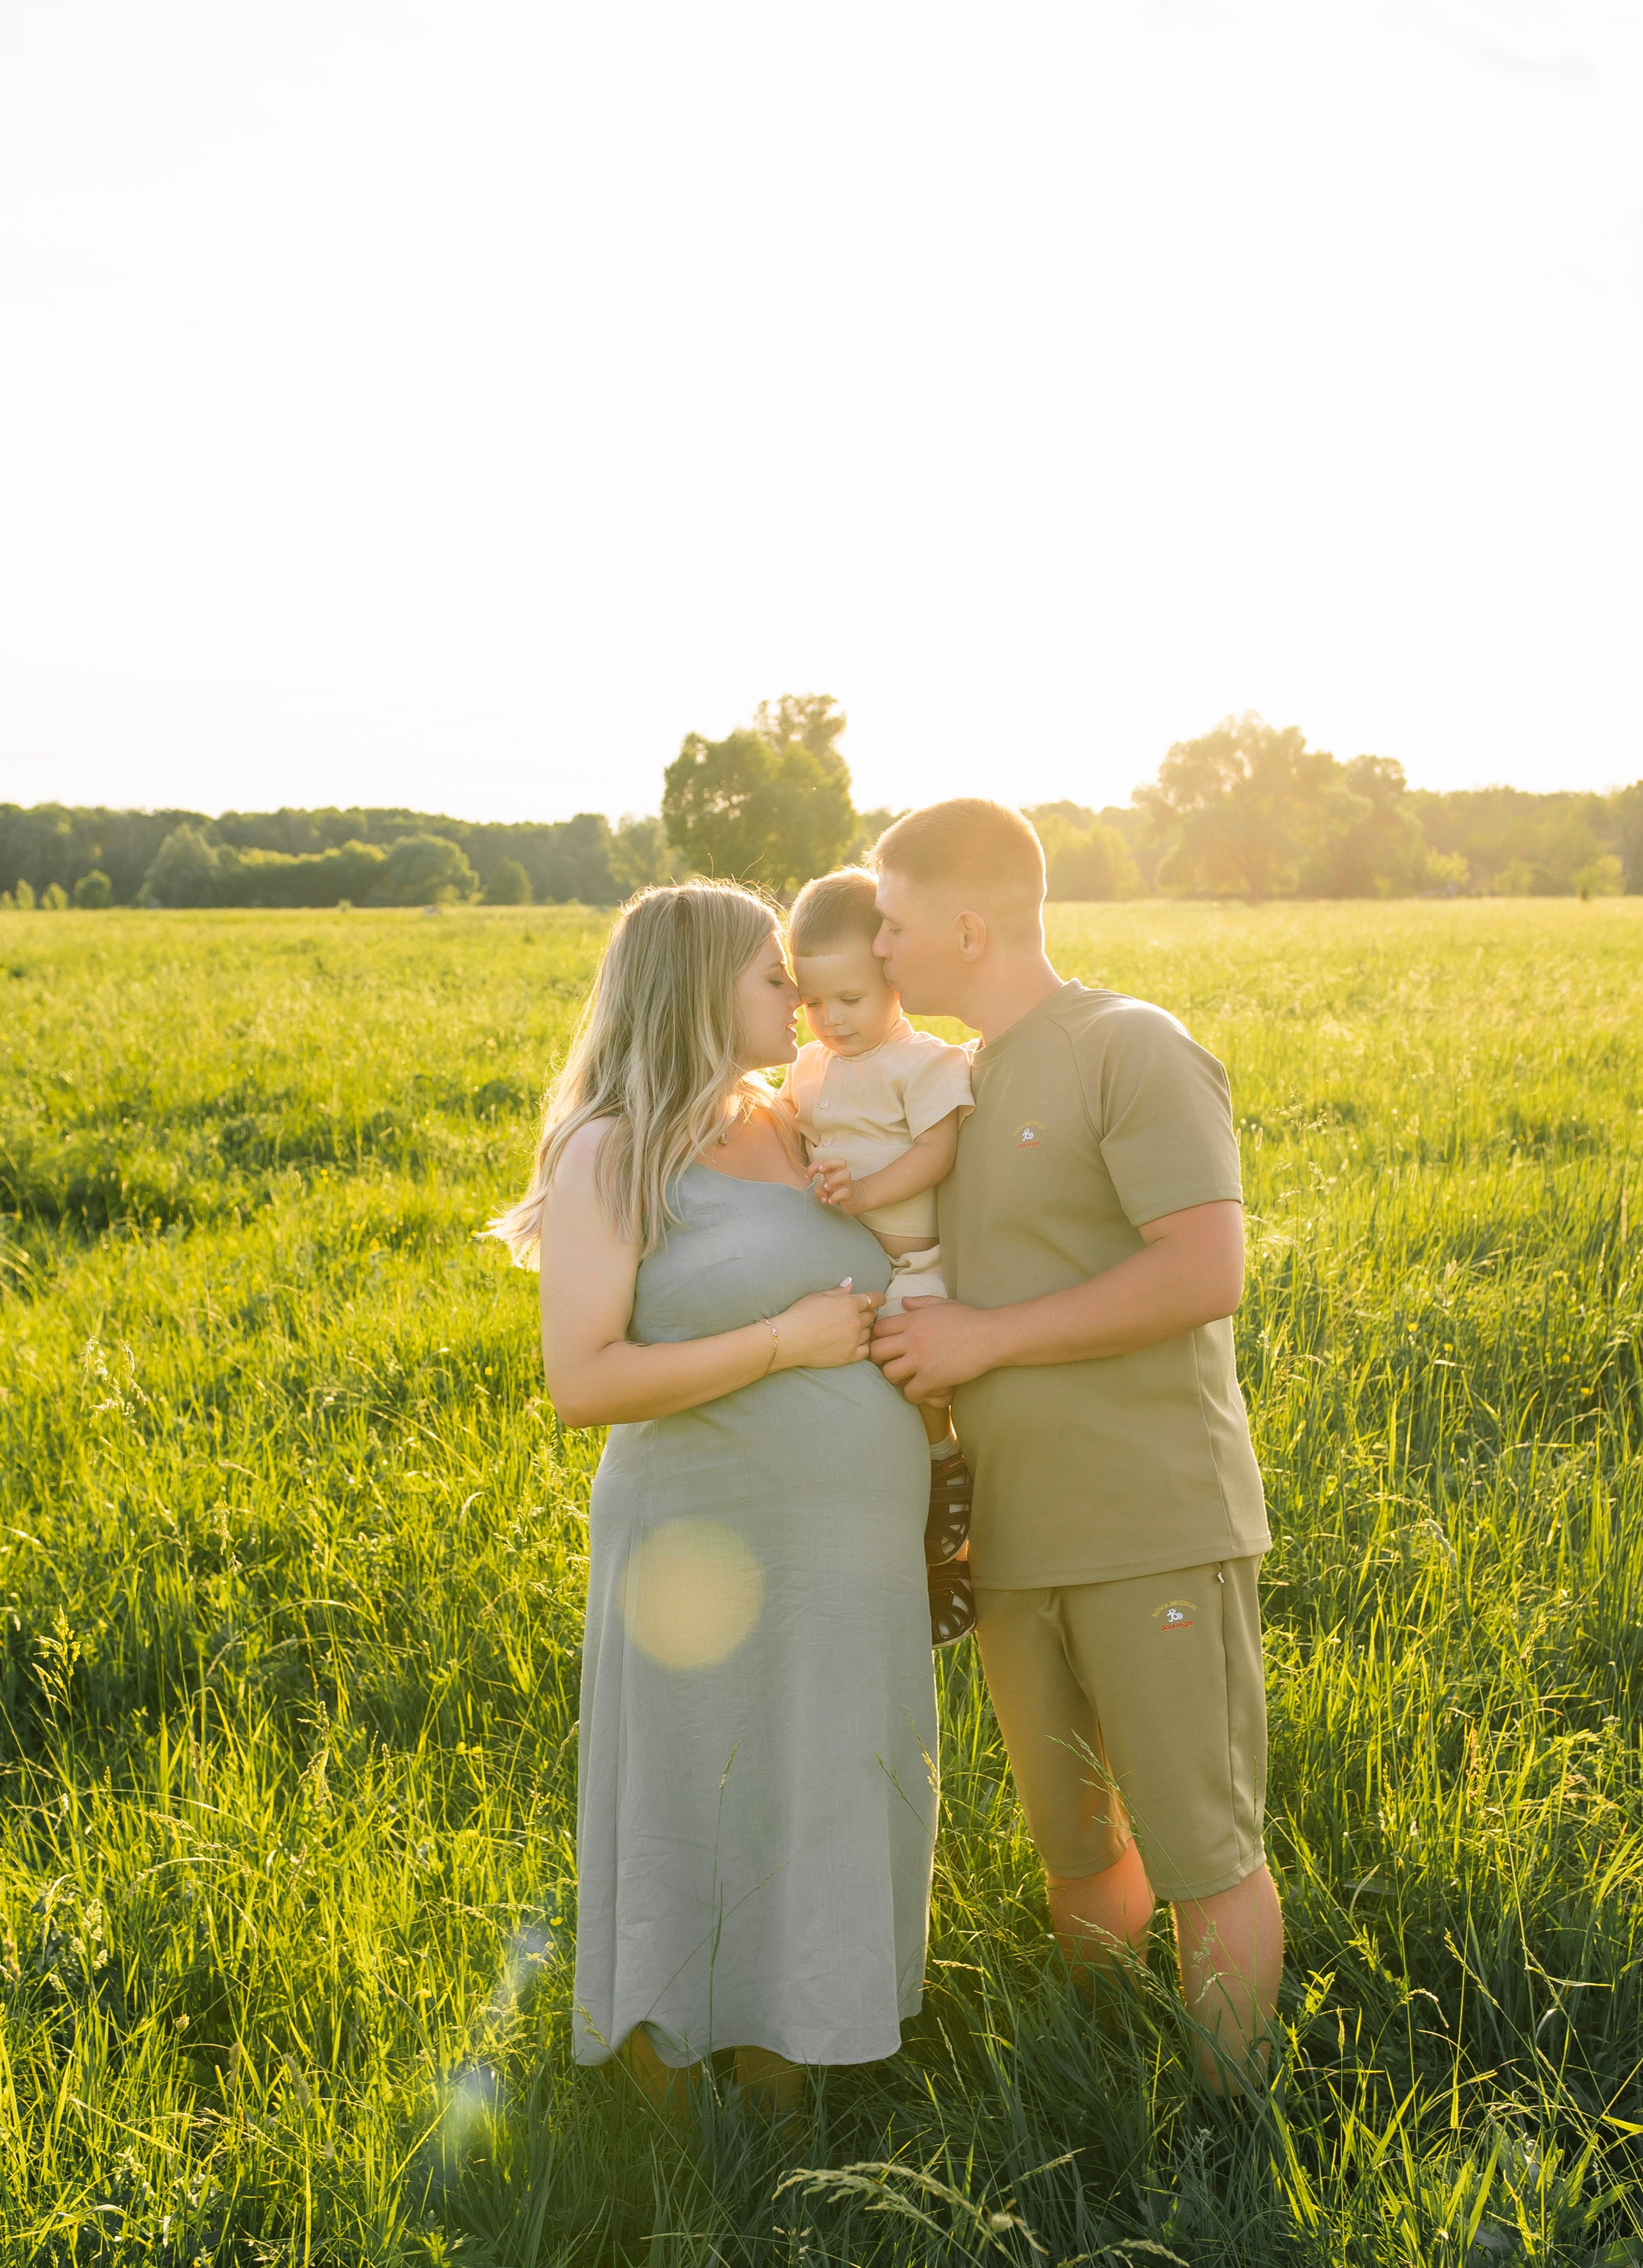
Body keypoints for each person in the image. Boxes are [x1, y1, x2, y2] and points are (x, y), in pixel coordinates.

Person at [488, 881, 936, 2119]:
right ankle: (667, 2112)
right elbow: (584, 1379)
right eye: (769, 974)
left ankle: (787, 2078)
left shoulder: (799, 1122)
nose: (796, 993)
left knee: (822, 1781)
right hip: (701, 1545)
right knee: (702, 1786)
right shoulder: (614, 1146)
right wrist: (787, 1342)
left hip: (851, 1548)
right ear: (695, 989)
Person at [866, 801, 1280, 2089]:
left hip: (1152, 1521)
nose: (878, 948)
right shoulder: (951, 1088)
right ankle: (1107, 2090)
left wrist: (982, 1341)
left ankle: (1228, 2137)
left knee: (1204, 1845)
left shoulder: (1130, 1047)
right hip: (1012, 1537)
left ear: (968, 925)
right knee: (1079, 1845)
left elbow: (1206, 1269)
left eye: (892, 921)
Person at [781, 865, 978, 1645]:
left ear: (892, 977)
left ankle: (944, 1467)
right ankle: (899, 1549)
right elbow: (803, 1140)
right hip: (850, 1262)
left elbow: (935, 1152)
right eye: (813, 1001)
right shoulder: (809, 1068)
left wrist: (863, 1193)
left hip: (918, 1261)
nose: (830, 1018)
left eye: (850, 998)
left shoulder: (923, 1063)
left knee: (915, 1359)